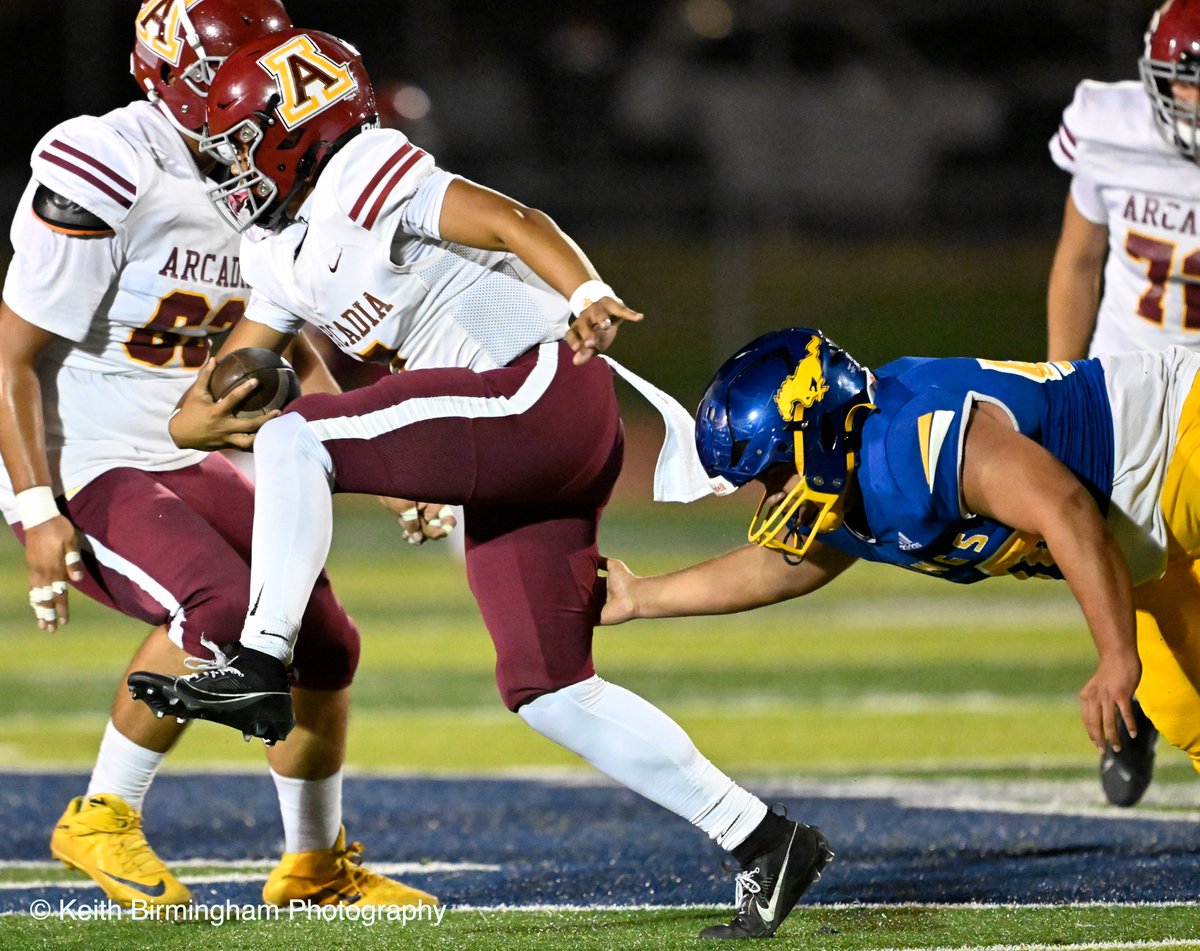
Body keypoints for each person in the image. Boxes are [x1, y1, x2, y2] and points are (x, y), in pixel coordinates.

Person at [128, 28, 833, 940]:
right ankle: (763, 837)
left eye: (238, 143)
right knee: (547, 683)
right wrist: (215, 415)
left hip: (538, 383)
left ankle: (260, 663)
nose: (227, 167)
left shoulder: (363, 168)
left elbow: (511, 221)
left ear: (290, 130)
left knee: (303, 433)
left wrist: (583, 293)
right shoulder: (273, 248)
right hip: (511, 430)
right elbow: (208, 399)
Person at [0, 0, 433, 910]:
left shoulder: (259, 161)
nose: (250, 91)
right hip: (86, 455)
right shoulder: (109, 160)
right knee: (226, 610)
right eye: (227, 70)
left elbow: (281, 336)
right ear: (168, 78)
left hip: (180, 449)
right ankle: (102, 814)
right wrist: (35, 507)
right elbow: (11, 356)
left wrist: (388, 468)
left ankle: (314, 866)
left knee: (321, 637)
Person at [599, 328, 1200, 795]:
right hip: (1142, 545)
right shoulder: (852, 483)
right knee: (1184, 710)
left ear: (820, 431)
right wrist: (639, 596)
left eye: (774, 474)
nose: (773, 496)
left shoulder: (910, 442)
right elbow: (775, 567)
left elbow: (1065, 508)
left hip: (1176, 441)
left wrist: (1117, 654)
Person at [1045, 0, 1200, 805]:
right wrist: (1059, 390)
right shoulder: (1109, 122)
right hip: (1126, 400)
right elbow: (1078, 262)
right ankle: (1138, 700)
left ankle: (1143, 699)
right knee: (1138, 575)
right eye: (1187, 86)